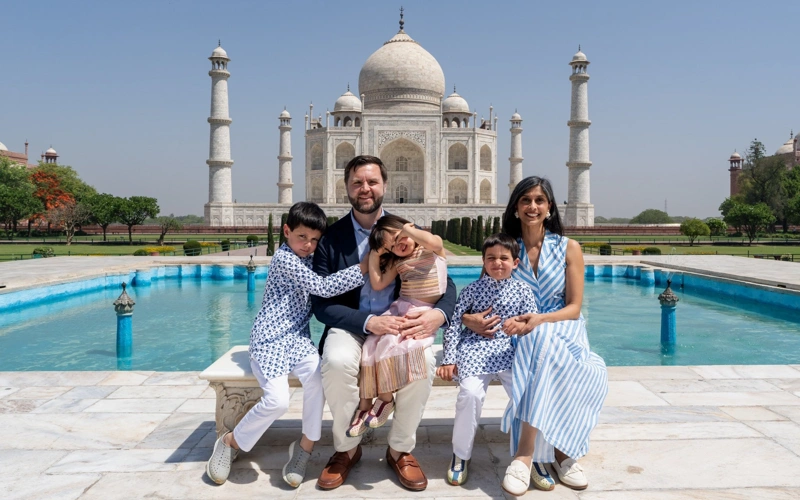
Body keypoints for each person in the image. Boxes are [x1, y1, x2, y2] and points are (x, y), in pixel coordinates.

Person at [311, 155, 457, 491]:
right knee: (335, 362)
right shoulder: (332, 239)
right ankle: (347, 450)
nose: (365, 189)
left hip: (400, 321)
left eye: (372, 182)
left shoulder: (403, 229)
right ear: (346, 187)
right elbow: (321, 304)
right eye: (357, 182)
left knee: (423, 360)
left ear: (384, 186)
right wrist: (369, 322)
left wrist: (439, 314)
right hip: (352, 324)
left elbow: (442, 278)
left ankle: (400, 449)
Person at [206, 202, 368, 488]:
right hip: (269, 339)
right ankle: (231, 441)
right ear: (286, 232)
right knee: (277, 400)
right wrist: (364, 268)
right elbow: (323, 287)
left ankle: (304, 448)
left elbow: (324, 278)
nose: (308, 245)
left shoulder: (310, 257)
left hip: (297, 338)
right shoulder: (285, 259)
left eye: (315, 240)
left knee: (317, 379)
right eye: (302, 237)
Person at [463, 176, 608, 495]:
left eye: (539, 200)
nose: (532, 206)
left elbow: (573, 307)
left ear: (550, 207)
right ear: (515, 207)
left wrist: (539, 318)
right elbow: (483, 294)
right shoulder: (506, 248)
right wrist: (468, 318)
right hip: (515, 329)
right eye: (526, 200)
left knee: (549, 347)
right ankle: (560, 452)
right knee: (538, 346)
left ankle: (525, 455)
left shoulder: (569, 247)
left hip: (562, 325)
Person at [437, 233, 537, 486]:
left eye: (504, 258)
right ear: (483, 261)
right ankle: (461, 455)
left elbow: (533, 323)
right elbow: (452, 325)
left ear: (515, 263)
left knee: (531, 395)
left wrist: (522, 327)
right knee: (470, 394)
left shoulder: (523, 291)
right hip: (475, 350)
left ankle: (535, 457)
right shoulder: (472, 289)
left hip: (510, 353)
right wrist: (449, 359)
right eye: (491, 258)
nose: (497, 263)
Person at [346, 214, 448, 438]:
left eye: (399, 237)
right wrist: (375, 255)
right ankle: (364, 406)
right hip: (402, 307)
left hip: (420, 313)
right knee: (370, 345)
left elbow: (435, 242)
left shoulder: (431, 249)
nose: (398, 245)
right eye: (392, 246)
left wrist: (408, 230)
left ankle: (384, 399)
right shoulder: (397, 261)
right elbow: (378, 282)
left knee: (389, 344)